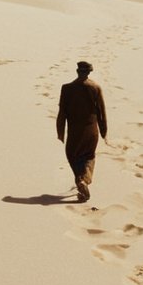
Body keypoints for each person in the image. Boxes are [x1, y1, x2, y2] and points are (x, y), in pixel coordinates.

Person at [56, 60, 108, 202]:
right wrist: (103, 131)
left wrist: (60, 131)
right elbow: (101, 111)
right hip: (91, 130)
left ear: (77, 71)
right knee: (88, 156)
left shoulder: (66, 88)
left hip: (75, 130)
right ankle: (84, 180)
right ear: (89, 72)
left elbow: (62, 112)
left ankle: (81, 180)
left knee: (72, 156)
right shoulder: (95, 87)